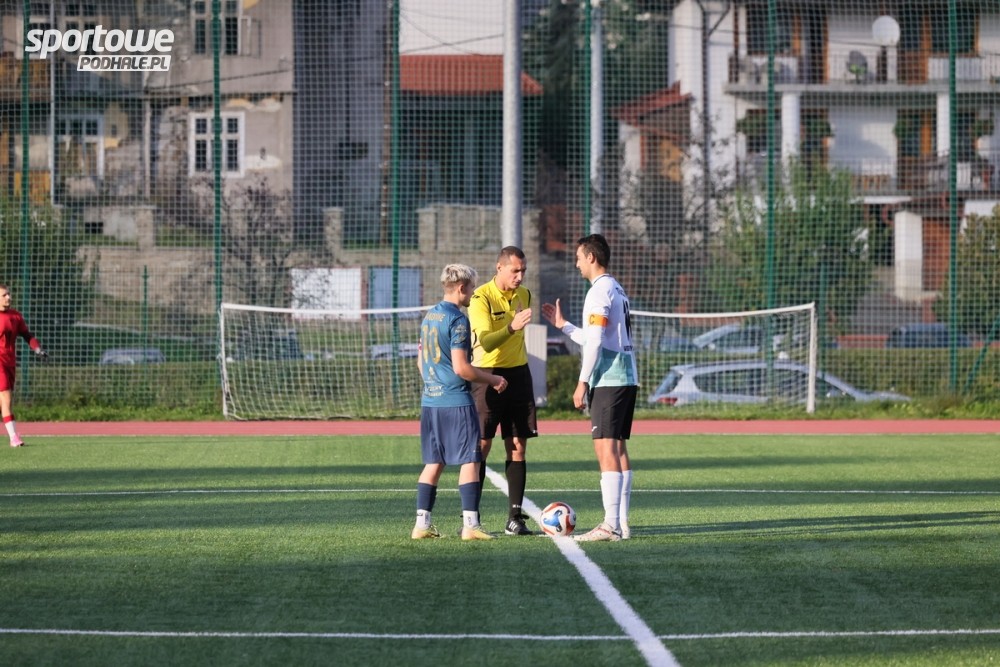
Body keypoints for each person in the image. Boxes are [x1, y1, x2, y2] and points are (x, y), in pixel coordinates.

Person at [541, 235, 637, 542]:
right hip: (625, 376)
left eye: (579, 257)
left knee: (606, 448)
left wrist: (582, 382)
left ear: (592, 257)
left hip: (609, 379)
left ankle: (610, 525)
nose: (576, 263)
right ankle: (621, 523)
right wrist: (564, 326)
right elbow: (598, 336)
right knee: (618, 448)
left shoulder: (599, 291)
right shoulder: (615, 287)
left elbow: (595, 342)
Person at [412, 264, 509, 541]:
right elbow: (461, 368)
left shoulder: (429, 316)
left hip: (431, 400)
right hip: (455, 400)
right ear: (462, 287)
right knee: (470, 459)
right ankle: (470, 525)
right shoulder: (457, 319)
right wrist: (493, 379)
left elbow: (420, 362)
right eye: (472, 288)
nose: (473, 293)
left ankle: (421, 525)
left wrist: (435, 384)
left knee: (434, 461)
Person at [468, 246, 537, 536]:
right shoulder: (480, 297)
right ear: (499, 268)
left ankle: (514, 518)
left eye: (523, 271)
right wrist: (511, 327)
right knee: (482, 445)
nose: (520, 276)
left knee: (518, 444)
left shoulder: (525, 295)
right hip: (488, 375)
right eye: (515, 270)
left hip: (519, 375)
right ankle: (471, 517)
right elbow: (485, 341)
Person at [0, 284, 47, 448]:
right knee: (6, 398)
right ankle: (13, 437)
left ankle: (12, 433)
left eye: (9, 294)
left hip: (10, 363)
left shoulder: (16, 316)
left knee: (5, 401)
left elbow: (27, 335)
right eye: (4, 295)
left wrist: (37, 348)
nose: (8, 297)